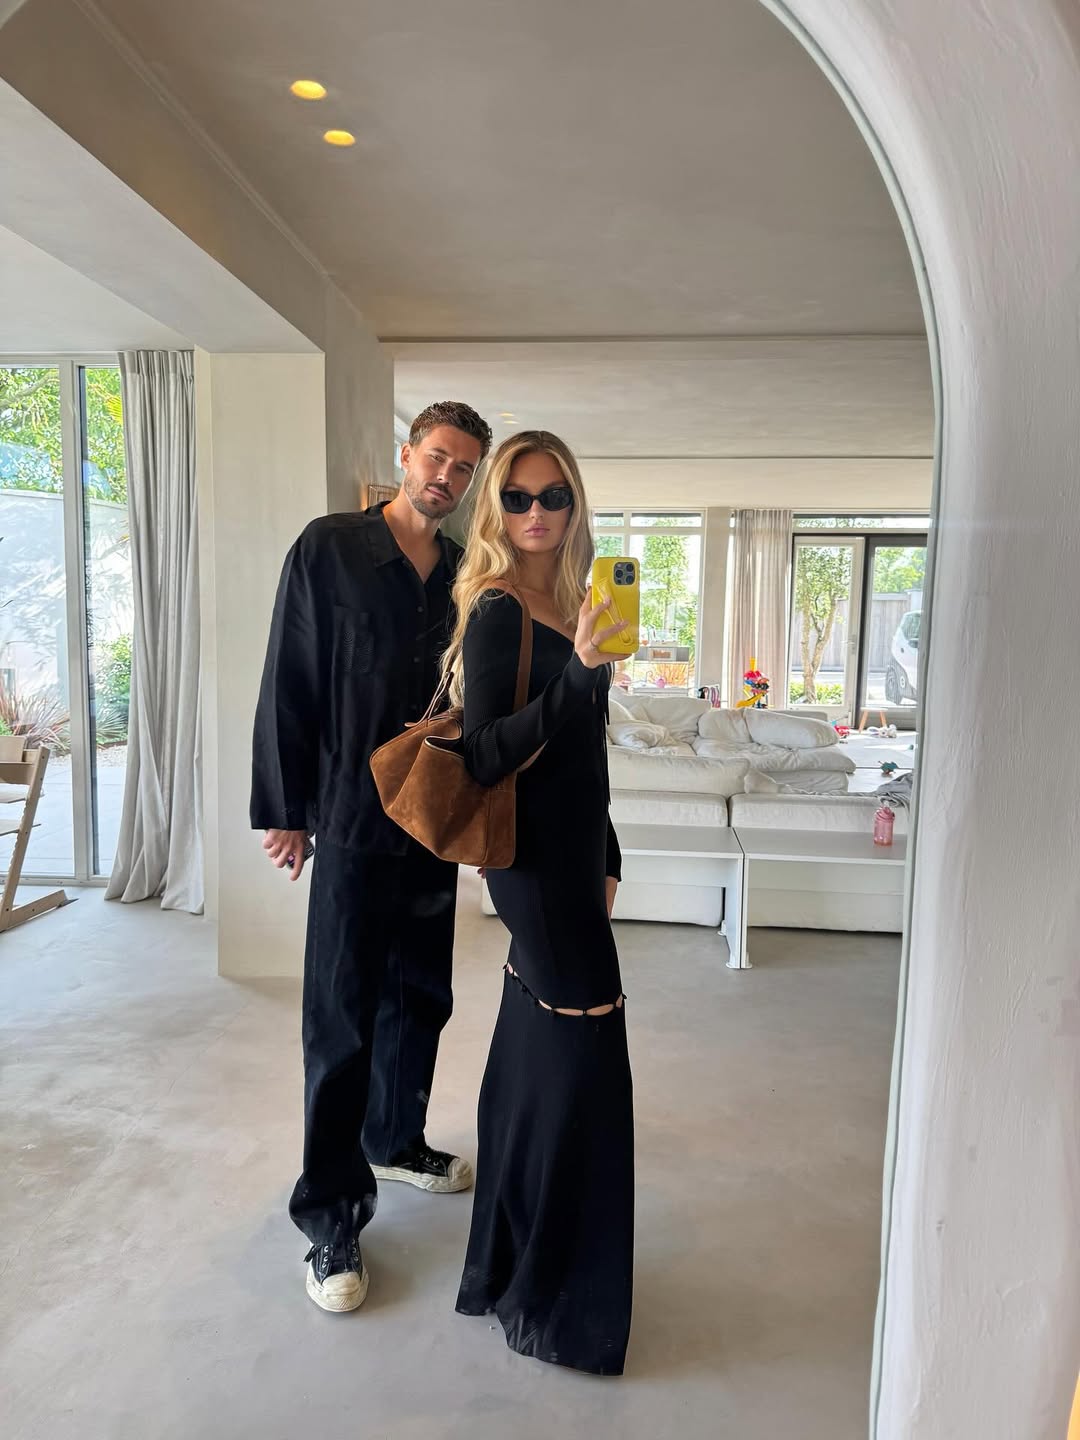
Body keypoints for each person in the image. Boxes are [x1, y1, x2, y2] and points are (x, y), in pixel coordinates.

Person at [250, 400, 492, 1313]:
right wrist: (286, 809)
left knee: (422, 992)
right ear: (407, 454)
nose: (447, 477)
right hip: (351, 818)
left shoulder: (464, 574)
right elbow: (289, 677)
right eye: (438, 457)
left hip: (429, 819)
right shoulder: (331, 549)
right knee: (342, 1014)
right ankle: (330, 1216)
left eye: (464, 468)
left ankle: (395, 1139)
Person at [445, 430, 635, 1375]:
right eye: (516, 497)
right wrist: (580, 673)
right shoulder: (496, 608)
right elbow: (485, 754)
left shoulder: (576, 603)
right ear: (495, 508)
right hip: (527, 863)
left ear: (574, 504)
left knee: (536, 1051)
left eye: (552, 496)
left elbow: (583, 756)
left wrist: (609, 849)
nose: (534, 514)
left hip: (573, 854)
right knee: (584, 1046)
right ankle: (554, 1293)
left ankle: (511, 1260)